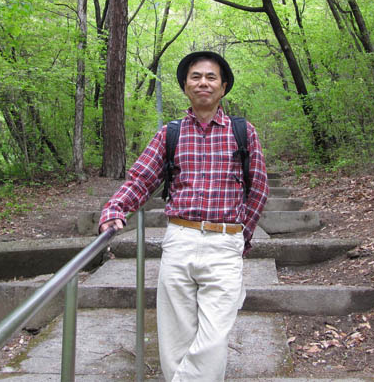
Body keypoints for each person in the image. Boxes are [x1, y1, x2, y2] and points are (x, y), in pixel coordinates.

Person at [99, 51, 269, 381]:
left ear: (223, 87)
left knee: (213, 337)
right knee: (175, 339)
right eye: (195, 76)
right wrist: (114, 209)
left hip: (225, 242)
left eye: (211, 77)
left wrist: (240, 237)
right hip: (179, 239)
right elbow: (141, 179)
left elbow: (259, 188)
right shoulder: (170, 133)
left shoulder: (242, 131)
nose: (203, 82)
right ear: (185, 86)